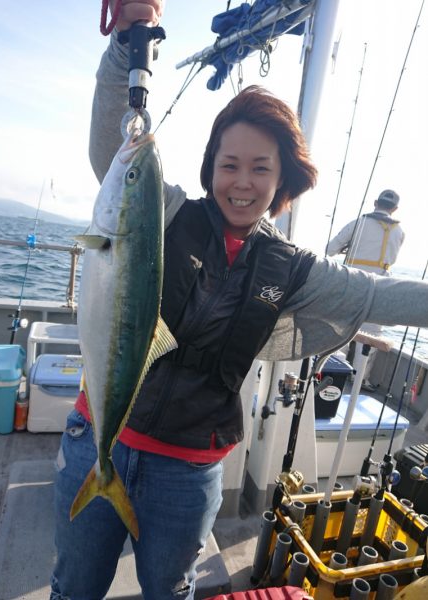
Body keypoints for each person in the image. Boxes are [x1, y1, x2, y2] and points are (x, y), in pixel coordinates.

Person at [50, 2, 428, 599]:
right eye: (229, 165)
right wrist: (126, 44)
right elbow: (108, 148)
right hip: (99, 440)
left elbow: (375, 294)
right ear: (210, 168)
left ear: (283, 179)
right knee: (73, 589)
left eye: (260, 168)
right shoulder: (163, 211)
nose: (243, 182)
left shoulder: (293, 268)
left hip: (188, 471)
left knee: (169, 592)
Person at [326, 190, 405, 389]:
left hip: (353, 284)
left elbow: (330, 249)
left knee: (341, 329)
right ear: (394, 209)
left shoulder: (358, 223)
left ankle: (335, 373)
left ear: (375, 202)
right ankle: (360, 379)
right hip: (380, 288)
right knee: (371, 336)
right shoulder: (399, 232)